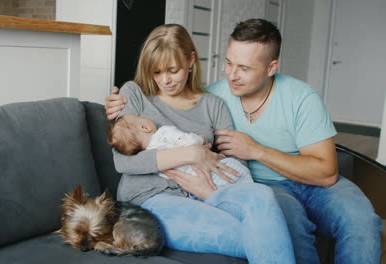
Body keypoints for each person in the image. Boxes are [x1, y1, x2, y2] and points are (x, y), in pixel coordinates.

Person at [106, 19, 382, 264]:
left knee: (358, 220)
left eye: (244, 68)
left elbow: (321, 173)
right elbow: (124, 156)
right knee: (278, 229)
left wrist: (245, 160)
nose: (232, 75)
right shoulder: (140, 93)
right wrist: (191, 154)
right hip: (169, 194)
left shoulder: (221, 102)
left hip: (286, 183)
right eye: (228, 63)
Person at [105, 24, 295, 263]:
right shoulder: (134, 93)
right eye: (156, 72)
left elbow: (236, 161)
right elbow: (123, 162)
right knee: (258, 237)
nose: (165, 80)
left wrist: (207, 192)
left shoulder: (212, 105)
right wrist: (192, 153)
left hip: (205, 193)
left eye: (173, 70)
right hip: (151, 199)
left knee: (263, 196)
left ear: (191, 60)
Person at [107, 114, 253, 188]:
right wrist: (202, 140)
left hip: (198, 180)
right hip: (212, 169)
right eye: (140, 117)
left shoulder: (152, 159)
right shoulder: (164, 132)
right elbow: (188, 141)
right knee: (237, 172)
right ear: (145, 128)